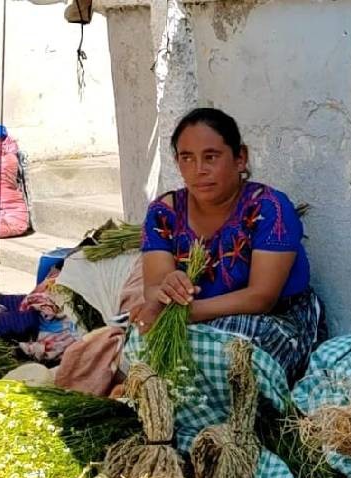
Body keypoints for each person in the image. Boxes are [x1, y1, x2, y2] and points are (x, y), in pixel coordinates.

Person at [131, 107, 322, 382]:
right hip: (193, 319)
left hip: (272, 321)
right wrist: (167, 288)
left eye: (211, 157)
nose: (199, 170)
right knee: (137, 342)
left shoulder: (268, 208)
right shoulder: (164, 213)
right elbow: (154, 288)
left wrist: (183, 312)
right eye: (187, 158)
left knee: (231, 356)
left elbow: (261, 298)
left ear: (240, 158)